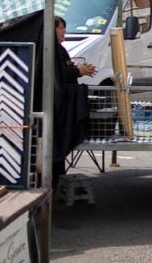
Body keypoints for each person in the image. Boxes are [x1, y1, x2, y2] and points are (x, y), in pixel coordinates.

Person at [53, 16, 97, 187]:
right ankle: (55, 182)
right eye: (61, 28)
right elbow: (57, 75)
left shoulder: (59, 49)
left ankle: (57, 180)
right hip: (58, 107)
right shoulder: (52, 50)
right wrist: (78, 70)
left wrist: (78, 70)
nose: (64, 31)